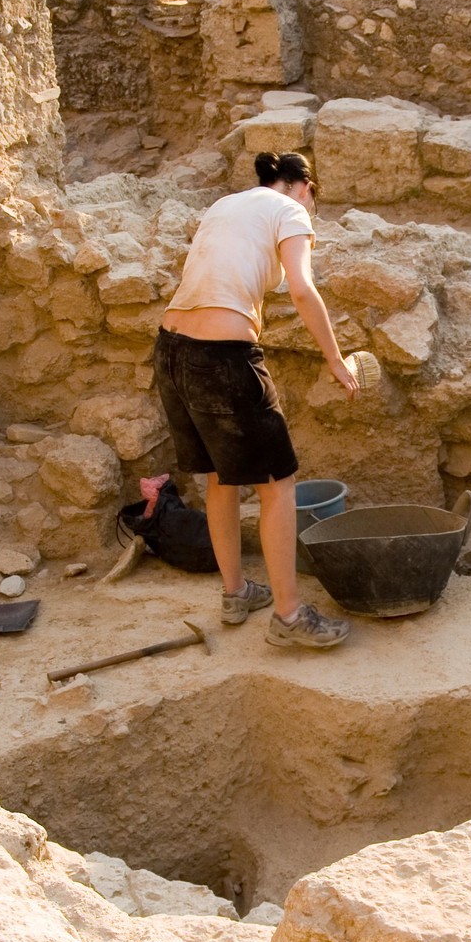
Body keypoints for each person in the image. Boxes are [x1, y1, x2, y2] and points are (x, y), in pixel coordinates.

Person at [153, 151, 358, 650]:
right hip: (222, 356)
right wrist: (335, 359)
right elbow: (304, 289)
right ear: (303, 186)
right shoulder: (290, 210)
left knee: (222, 478)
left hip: (171, 350)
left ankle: (235, 593)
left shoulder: (226, 204)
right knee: (278, 484)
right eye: (314, 199)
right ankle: (288, 617)